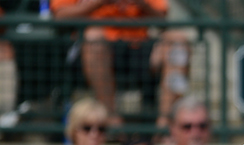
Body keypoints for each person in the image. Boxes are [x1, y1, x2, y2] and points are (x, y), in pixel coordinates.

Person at [50, 0, 190, 127]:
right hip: (92, 49)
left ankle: (165, 125)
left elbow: (162, 20)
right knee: (94, 37)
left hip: (137, 44)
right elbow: (60, 16)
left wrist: (142, 3)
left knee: (178, 42)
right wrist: (98, 3)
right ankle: (110, 121)